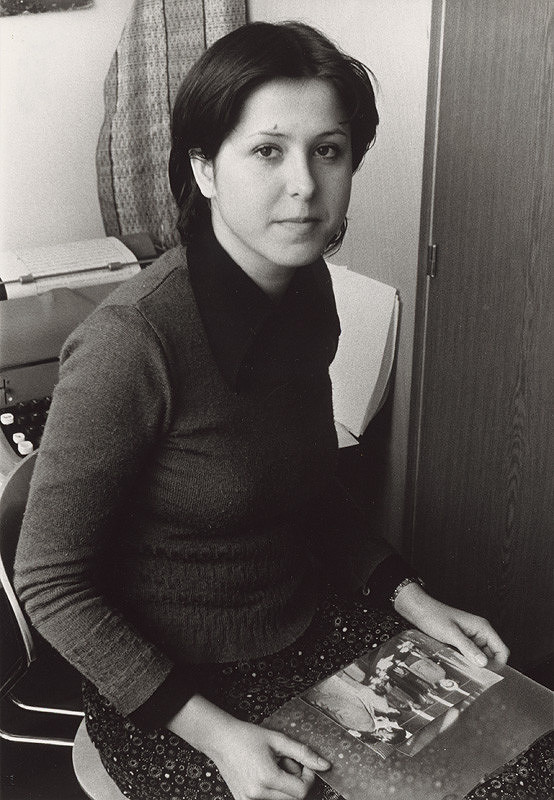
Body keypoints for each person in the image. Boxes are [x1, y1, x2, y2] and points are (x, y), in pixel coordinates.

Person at [14, 21, 509, 800]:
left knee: (510, 761)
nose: (305, 184)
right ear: (205, 167)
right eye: (268, 151)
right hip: (174, 692)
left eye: (329, 150)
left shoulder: (308, 289)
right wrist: (220, 737)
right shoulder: (132, 342)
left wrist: (412, 597)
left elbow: (306, 489)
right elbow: (50, 584)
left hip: (311, 629)